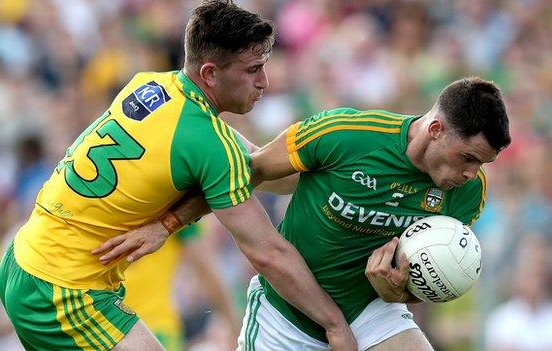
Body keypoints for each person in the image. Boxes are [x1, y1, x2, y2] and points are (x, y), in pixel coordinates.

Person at [0, 1, 356, 350]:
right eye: (251, 70)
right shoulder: (207, 142)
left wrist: (341, 174)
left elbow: (256, 166)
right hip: (65, 289)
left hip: (24, 259)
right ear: (210, 73)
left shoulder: (151, 84)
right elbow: (268, 253)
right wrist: (333, 322)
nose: (264, 81)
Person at [97, 76, 511, 350]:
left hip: (371, 312)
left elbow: (427, 274)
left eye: (481, 165)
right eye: (468, 158)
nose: (470, 173)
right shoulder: (345, 135)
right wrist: (168, 224)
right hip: (286, 315)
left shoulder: (467, 194)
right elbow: (246, 173)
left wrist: (398, 291)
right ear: (436, 129)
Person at [123, 222, 240, 350]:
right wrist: (234, 327)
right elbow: (206, 270)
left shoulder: (176, 210)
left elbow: (206, 270)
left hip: (134, 328)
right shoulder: (175, 207)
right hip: (153, 329)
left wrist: (233, 325)